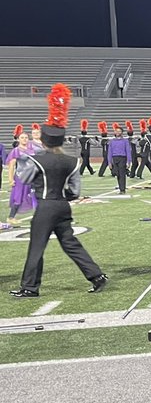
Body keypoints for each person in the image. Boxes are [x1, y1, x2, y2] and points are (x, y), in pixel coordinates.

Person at [10, 85, 107, 298]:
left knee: (37, 247)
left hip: (45, 206)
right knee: (70, 244)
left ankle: (30, 287)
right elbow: (75, 190)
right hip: (63, 206)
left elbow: (23, 178)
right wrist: (62, 197)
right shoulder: (71, 161)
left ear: (43, 140)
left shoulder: (36, 159)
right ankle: (97, 276)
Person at [6, 127, 38, 222]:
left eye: (26, 137)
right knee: (18, 197)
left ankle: (39, 216)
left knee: (35, 196)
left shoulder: (32, 150)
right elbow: (11, 166)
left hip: (32, 177)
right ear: (18, 139)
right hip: (21, 177)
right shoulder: (16, 151)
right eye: (22, 137)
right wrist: (11, 179)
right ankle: (11, 217)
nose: (24, 139)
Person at [106, 122, 134, 194]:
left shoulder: (125, 141)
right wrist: (109, 162)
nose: (117, 132)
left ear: (122, 132)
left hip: (122, 158)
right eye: (116, 131)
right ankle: (120, 187)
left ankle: (122, 189)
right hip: (115, 158)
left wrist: (129, 161)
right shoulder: (112, 141)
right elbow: (109, 152)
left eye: (119, 131)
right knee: (117, 174)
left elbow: (128, 151)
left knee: (122, 174)